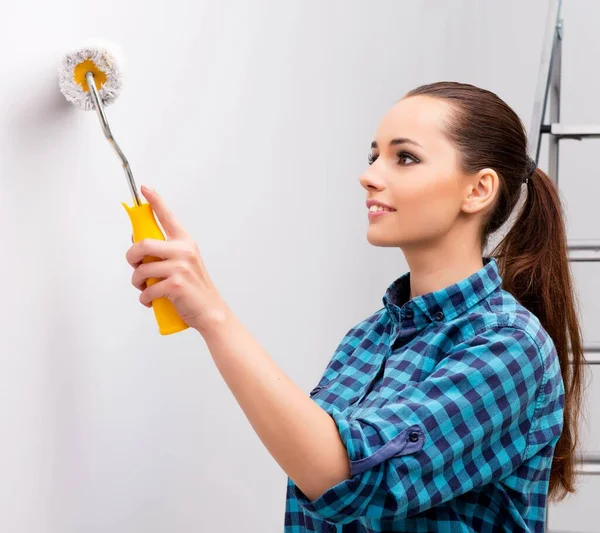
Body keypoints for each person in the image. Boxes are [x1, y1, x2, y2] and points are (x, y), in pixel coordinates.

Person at [125, 81, 585, 532]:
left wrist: (212, 316)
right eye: (373, 156)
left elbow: (346, 475)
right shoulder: (366, 340)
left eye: (404, 157)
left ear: (478, 190)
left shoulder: (508, 345)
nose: (369, 175)